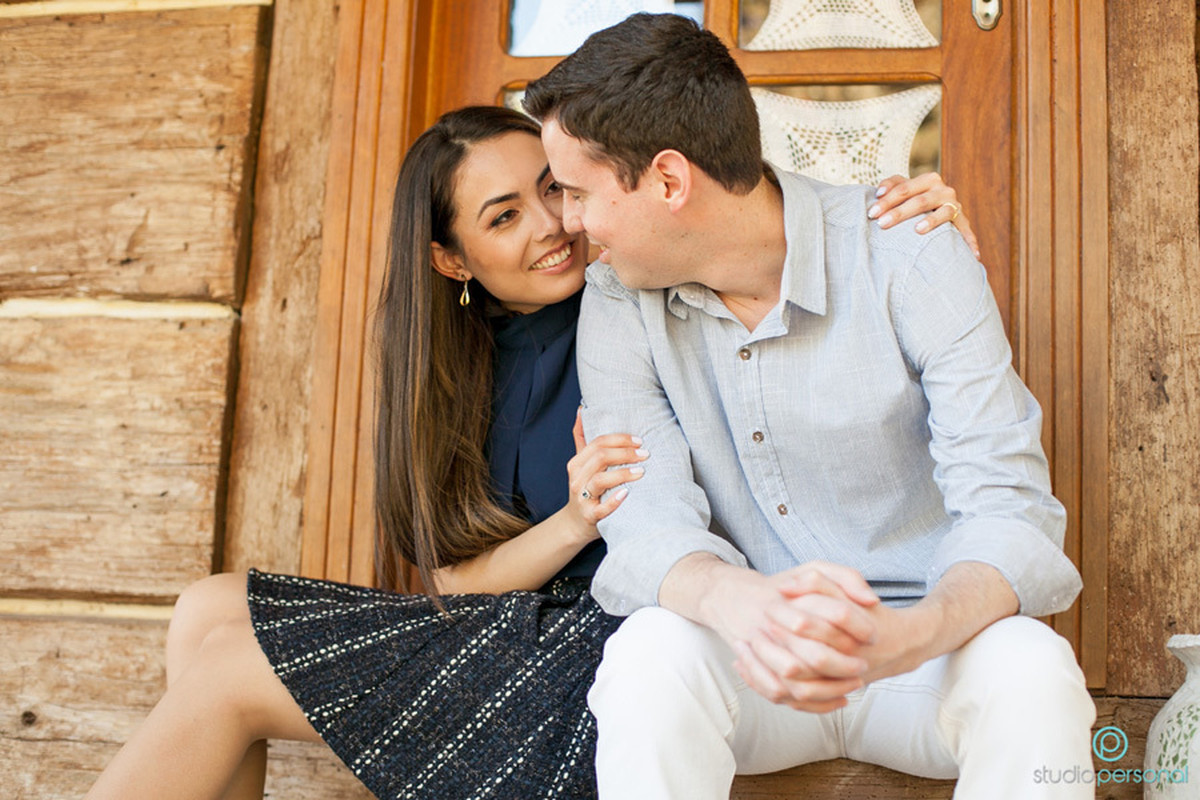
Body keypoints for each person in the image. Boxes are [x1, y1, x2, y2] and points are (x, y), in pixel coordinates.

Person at [84, 102, 970, 799]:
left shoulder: (646, 289)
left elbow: (756, 235)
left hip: (619, 643)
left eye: (555, 189)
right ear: (451, 261)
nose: (553, 224)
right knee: (207, 611)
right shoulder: (453, 369)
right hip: (506, 627)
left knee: (228, 672)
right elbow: (452, 582)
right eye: (504, 216)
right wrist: (580, 517)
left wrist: (888, 225)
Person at [522, 12, 1095, 800]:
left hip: (922, 654)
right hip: (747, 656)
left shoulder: (909, 250)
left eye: (578, 192)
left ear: (667, 180)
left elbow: (1011, 507)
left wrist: (906, 636)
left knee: (1033, 669)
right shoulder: (618, 298)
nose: (570, 222)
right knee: (648, 655)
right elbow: (646, 518)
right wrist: (744, 604)